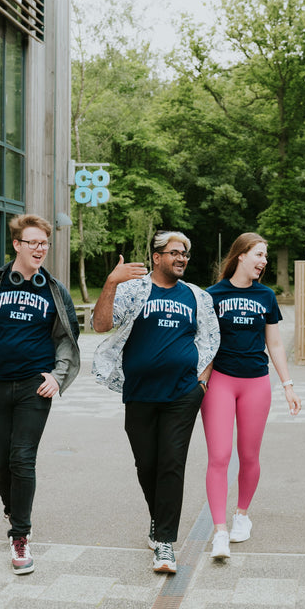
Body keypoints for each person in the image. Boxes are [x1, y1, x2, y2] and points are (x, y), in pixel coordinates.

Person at [0, 214, 80, 576]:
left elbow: (67, 338)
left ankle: (20, 535)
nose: (40, 249)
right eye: (33, 243)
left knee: (22, 458)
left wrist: (57, 377)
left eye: (44, 243)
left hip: (32, 387)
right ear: (17, 245)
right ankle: (14, 509)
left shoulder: (53, 290)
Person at [92, 230, 220, 574]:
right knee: (146, 464)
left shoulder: (196, 295)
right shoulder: (133, 289)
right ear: (157, 257)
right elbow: (101, 324)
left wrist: (202, 381)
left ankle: (165, 543)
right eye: (175, 252)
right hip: (140, 393)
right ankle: (157, 519)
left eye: (185, 254)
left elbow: (210, 338)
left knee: (171, 464)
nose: (181, 258)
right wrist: (111, 283)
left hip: (182, 393)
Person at [201, 233, 301, 560]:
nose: (264, 262)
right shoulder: (212, 296)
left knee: (249, 455)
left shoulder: (266, 296)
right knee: (219, 455)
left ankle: (241, 515)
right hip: (221, 382)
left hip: (256, 383)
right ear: (241, 255)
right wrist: (199, 383)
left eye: (266, 257)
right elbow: (205, 345)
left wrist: (287, 385)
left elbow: (274, 345)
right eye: (259, 254)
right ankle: (219, 532)